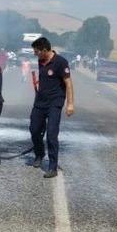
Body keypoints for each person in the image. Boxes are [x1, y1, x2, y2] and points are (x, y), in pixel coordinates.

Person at [29, 37, 74, 178]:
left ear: (44, 50)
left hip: (55, 102)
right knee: (34, 130)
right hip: (40, 102)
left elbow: (68, 83)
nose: (35, 54)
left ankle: (52, 167)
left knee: (51, 133)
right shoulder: (41, 60)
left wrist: (70, 104)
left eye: (36, 51)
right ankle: (39, 154)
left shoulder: (61, 62)